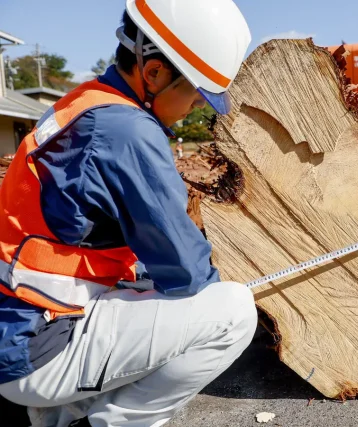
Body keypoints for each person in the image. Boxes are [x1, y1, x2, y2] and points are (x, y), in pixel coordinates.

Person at [0, 1, 256, 426]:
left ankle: (57, 414)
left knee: (144, 289)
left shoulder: (88, 102)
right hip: (36, 348)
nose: (198, 106)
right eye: (195, 91)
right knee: (232, 311)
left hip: (21, 327)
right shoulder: (128, 131)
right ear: (154, 72)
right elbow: (186, 273)